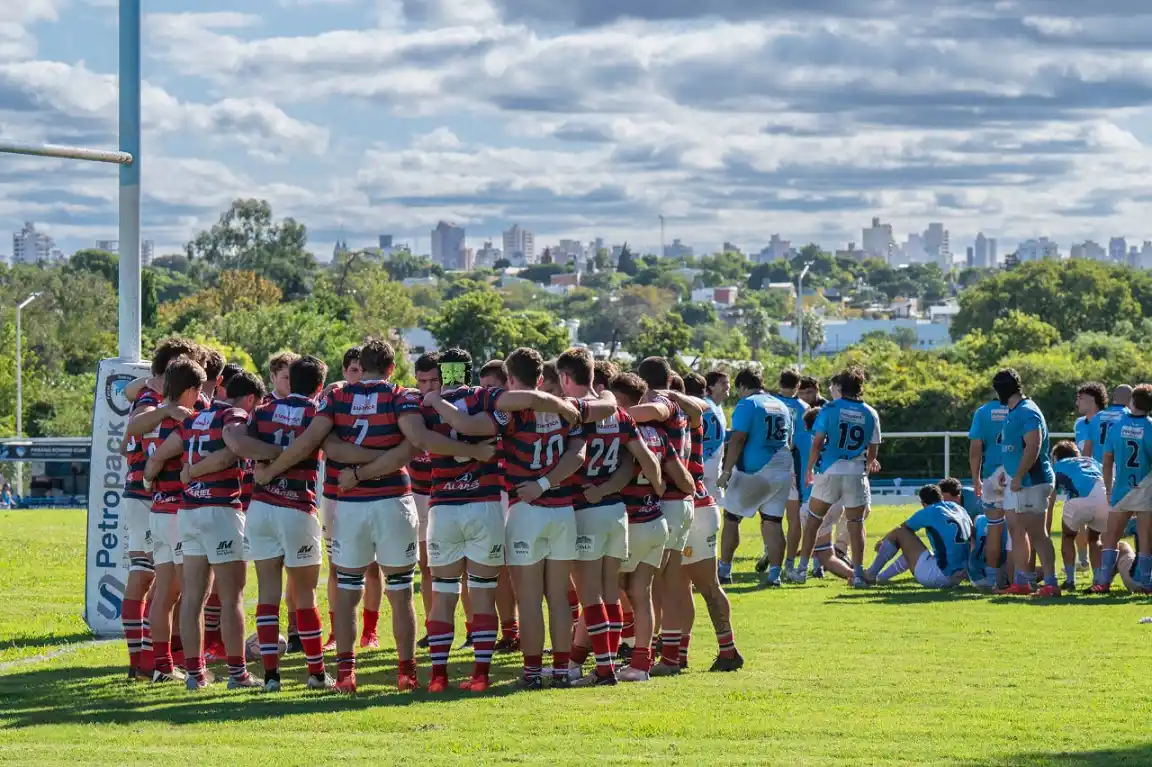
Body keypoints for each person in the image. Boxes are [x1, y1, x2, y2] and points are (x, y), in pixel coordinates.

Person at [255, 340, 452, 693]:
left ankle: (346, 675)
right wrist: (382, 459)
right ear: (392, 368)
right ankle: (406, 672)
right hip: (394, 501)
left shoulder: (337, 398)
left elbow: (316, 443)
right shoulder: (401, 396)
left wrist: (272, 471)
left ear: (361, 364)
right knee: (401, 592)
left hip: (350, 503)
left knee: (346, 593)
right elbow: (414, 443)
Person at [424, 347, 585, 690]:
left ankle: (522, 672)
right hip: (558, 509)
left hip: (515, 509)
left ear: (510, 380)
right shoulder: (567, 410)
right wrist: (559, 406)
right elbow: (578, 453)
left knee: (455, 594)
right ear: (542, 379)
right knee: (557, 596)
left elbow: (462, 425)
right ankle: (556, 670)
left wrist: (435, 400)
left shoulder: (511, 413)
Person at [148, 369, 266, 690]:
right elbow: (234, 449)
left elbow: (160, 454)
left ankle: (195, 675)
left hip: (188, 512)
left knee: (193, 598)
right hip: (221, 510)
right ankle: (238, 674)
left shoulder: (193, 418)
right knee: (232, 598)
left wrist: (158, 475)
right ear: (251, 399)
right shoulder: (234, 414)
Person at [223, 355, 333, 691]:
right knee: (305, 596)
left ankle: (271, 677)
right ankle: (315, 674)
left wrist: (269, 458)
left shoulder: (265, 410)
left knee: (268, 593)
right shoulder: (318, 412)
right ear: (319, 386)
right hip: (297, 508)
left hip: (261, 508)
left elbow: (238, 440)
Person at [557, 347, 661, 686]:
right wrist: (658, 486)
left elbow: (573, 456)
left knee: (590, 595)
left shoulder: (576, 413)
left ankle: (604, 670)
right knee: (609, 593)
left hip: (585, 509)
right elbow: (642, 459)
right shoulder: (620, 414)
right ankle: (606, 664)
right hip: (616, 510)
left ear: (565, 377)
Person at [119, 338, 202, 680]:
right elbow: (132, 430)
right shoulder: (153, 396)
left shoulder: (167, 393)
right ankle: (142, 661)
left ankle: (160, 659)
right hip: (145, 495)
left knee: (170, 582)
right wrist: (166, 410)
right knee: (148, 577)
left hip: (163, 498)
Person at [630, 357, 697, 677]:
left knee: (666, 584)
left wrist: (610, 415)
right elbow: (699, 412)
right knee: (667, 583)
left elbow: (656, 411)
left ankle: (669, 657)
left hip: (670, 500)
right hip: (679, 499)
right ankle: (672, 651)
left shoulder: (662, 400)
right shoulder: (684, 402)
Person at [142, 356, 206, 684]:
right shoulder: (185, 420)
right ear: (190, 389)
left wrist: (148, 474)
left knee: (165, 593)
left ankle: (162, 666)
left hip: (157, 510)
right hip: (179, 512)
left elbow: (141, 448)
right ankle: (194, 667)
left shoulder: (150, 417)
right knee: (192, 593)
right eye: (199, 390)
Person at [674, 373, 742, 672]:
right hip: (704, 496)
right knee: (683, 584)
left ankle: (723, 650)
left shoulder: (678, 415)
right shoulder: (707, 410)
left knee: (695, 585)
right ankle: (681, 653)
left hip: (690, 503)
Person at [317, 347, 382, 651]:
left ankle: (370, 630)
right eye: (352, 371)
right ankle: (335, 630)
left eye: (362, 370)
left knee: (371, 565)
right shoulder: (335, 398)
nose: (358, 376)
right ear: (344, 372)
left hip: (372, 492)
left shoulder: (381, 398)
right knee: (336, 565)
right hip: (335, 492)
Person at [609, 373, 670, 682]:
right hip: (655, 519)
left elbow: (623, 470)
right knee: (640, 593)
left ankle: (595, 660)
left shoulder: (625, 431)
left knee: (605, 588)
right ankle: (640, 663)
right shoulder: (658, 434)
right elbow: (665, 477)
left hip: (632, 521)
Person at [798, 367, 881, 587]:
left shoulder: (830, 409)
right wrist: (867, 464)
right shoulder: (870, 412)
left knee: (814, 520)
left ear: (841, 388)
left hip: (830, 471)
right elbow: (873, 450)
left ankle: (800, 569)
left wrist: (808, 469)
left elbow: (817, 443)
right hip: (856, 473)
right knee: (856, 523)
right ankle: (859, 572)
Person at [717, 368, 794, 587]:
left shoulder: (747, 403)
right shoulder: (781, 405)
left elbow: (739, 438)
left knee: (732, 518)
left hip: (755, 469)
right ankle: (775, 575)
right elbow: (789, 439)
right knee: (773, 522)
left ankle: (724, 570)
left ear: (742, 386)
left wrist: (727, 470)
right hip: (781, 466)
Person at [994, 368, 1059, 597]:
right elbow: (1015, 448)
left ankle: (1051, 583)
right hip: (1017, 480)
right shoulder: (1014, 411)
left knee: (1037, 532)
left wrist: (1020, 475)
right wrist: (1009, 472)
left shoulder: (1027, 411)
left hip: (1031, 480)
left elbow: (1034, 446)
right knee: (1015, 528)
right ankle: (1022, 581)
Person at [1095, 384, 1152, 593]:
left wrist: (1108, 487)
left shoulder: (1117, 426)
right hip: (1145, 487)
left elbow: (1107, 458)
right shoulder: (1150, 427)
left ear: (1132, 402)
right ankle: (1146, 582)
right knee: (1146, 538)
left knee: (1111, 538)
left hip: (1121, 488)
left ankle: (1102, 581)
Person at [478, 359, 517, 653]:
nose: (487, 393)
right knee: (500, 568)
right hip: (497, 495)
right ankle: (510, 630)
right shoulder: (484, 412)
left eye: (492, 387)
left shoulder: (515, 411)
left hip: (518, 496)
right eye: (483, 387)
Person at [863, 484, 972, 588]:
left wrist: (883, 540)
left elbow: (901, 529)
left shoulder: (929, 511)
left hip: (943, 575)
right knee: (913, 550)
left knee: (900, 533)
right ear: (941, 498)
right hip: (962, 573)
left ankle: (871, 574)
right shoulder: (958, 508)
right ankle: (880, 579)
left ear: (923, 503)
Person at [408, 353, 441, 650]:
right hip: (418, 495)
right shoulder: (408, 403)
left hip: (451, 495)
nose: (428, 386)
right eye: (422, 380)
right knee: (427, 567)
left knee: (466, 571)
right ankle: (433, 627)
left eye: (434, 380)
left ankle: (473, 630)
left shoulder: (455, 404)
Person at [1046, 441, 1107, 592]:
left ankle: (1070, 580)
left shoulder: (1058, 466)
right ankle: (1098, 580)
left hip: (1082, 500)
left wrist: (1045, 529)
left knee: (1068, 536)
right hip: (1105, 497)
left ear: (1056, 457)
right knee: (1095, 538)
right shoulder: (1092, 461)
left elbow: (1050, 500)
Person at [967, 388, 1010, 590]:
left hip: (992, 475)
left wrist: (976, 479)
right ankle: (1018, 578)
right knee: (1020, 530)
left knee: (994, 528)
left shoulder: (982, 412)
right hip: (1016, 473)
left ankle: (993, 580)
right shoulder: (1020, 409)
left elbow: (975, 450)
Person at [773, 369, 810, 582]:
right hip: (793, 469)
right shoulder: (805, 409)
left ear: (779, 383)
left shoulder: (770, 404)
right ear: (798, 386)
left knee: (770, 517)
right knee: (793, 519)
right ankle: (788, 564)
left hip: (769, 467)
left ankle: (771, 555)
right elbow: (803, 445)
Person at [701, 372, 729, 503]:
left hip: (715, 465)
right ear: (711, 386)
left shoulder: (718, 407)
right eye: (723, 383)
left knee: (715, 507)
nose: (728, 386)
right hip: (703, 462)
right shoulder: (703, 404)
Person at [968, 512, 1011, 591]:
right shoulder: (1009, 521)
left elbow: (973, 544)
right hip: (994, 575)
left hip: (975, 576)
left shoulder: (979, 518)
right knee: (1025, 571)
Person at [1090, 385, 1132, 457]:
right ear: (1131, 398)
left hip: (1098, 465)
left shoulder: (1097, 416)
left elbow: (1088, 446)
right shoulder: (1130, 416)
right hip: (1119, 465)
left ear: (1114, 396)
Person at [1075, 382, 1106, 456]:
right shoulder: (1078, 423)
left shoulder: (1110, 421)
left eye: (1080, 398)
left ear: (1093, 399)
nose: (1077, 403)